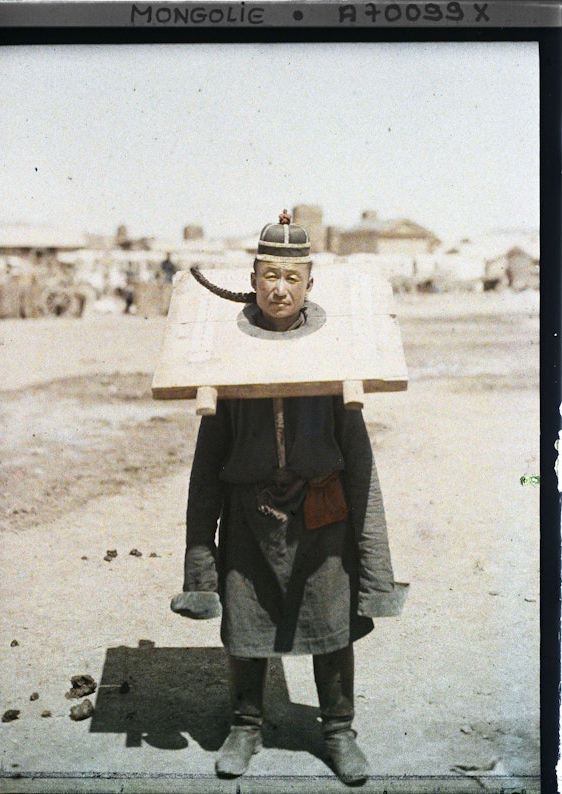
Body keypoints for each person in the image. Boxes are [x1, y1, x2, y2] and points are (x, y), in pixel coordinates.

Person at [170, 213, 407, 785]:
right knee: (246, 619)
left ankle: (339, 732)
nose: (279, 289)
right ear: (253, 278)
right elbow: (206, 475)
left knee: (331, 617)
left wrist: (378, 573)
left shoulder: (336, 361)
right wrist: (200, 570)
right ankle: (245, 725)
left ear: (309, 286)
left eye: (292, 278)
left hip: (321, 516)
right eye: (269, 275)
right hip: (249, 519)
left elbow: (362, 469)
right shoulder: (227, 365)